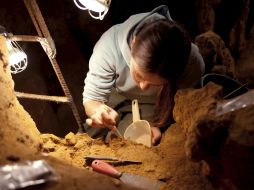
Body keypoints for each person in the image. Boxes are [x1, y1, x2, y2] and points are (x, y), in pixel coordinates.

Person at [82, 5, 205, 145]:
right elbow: (92, 99)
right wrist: (98, 111)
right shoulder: (109, 46)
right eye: (139, 75)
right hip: (113, 96)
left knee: (132, 144)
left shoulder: (192, 64)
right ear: (133, 44)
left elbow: (181, 108)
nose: (143, 87)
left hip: (153, 104)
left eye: (155, 83)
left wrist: (160, 126)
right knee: (86, 139)